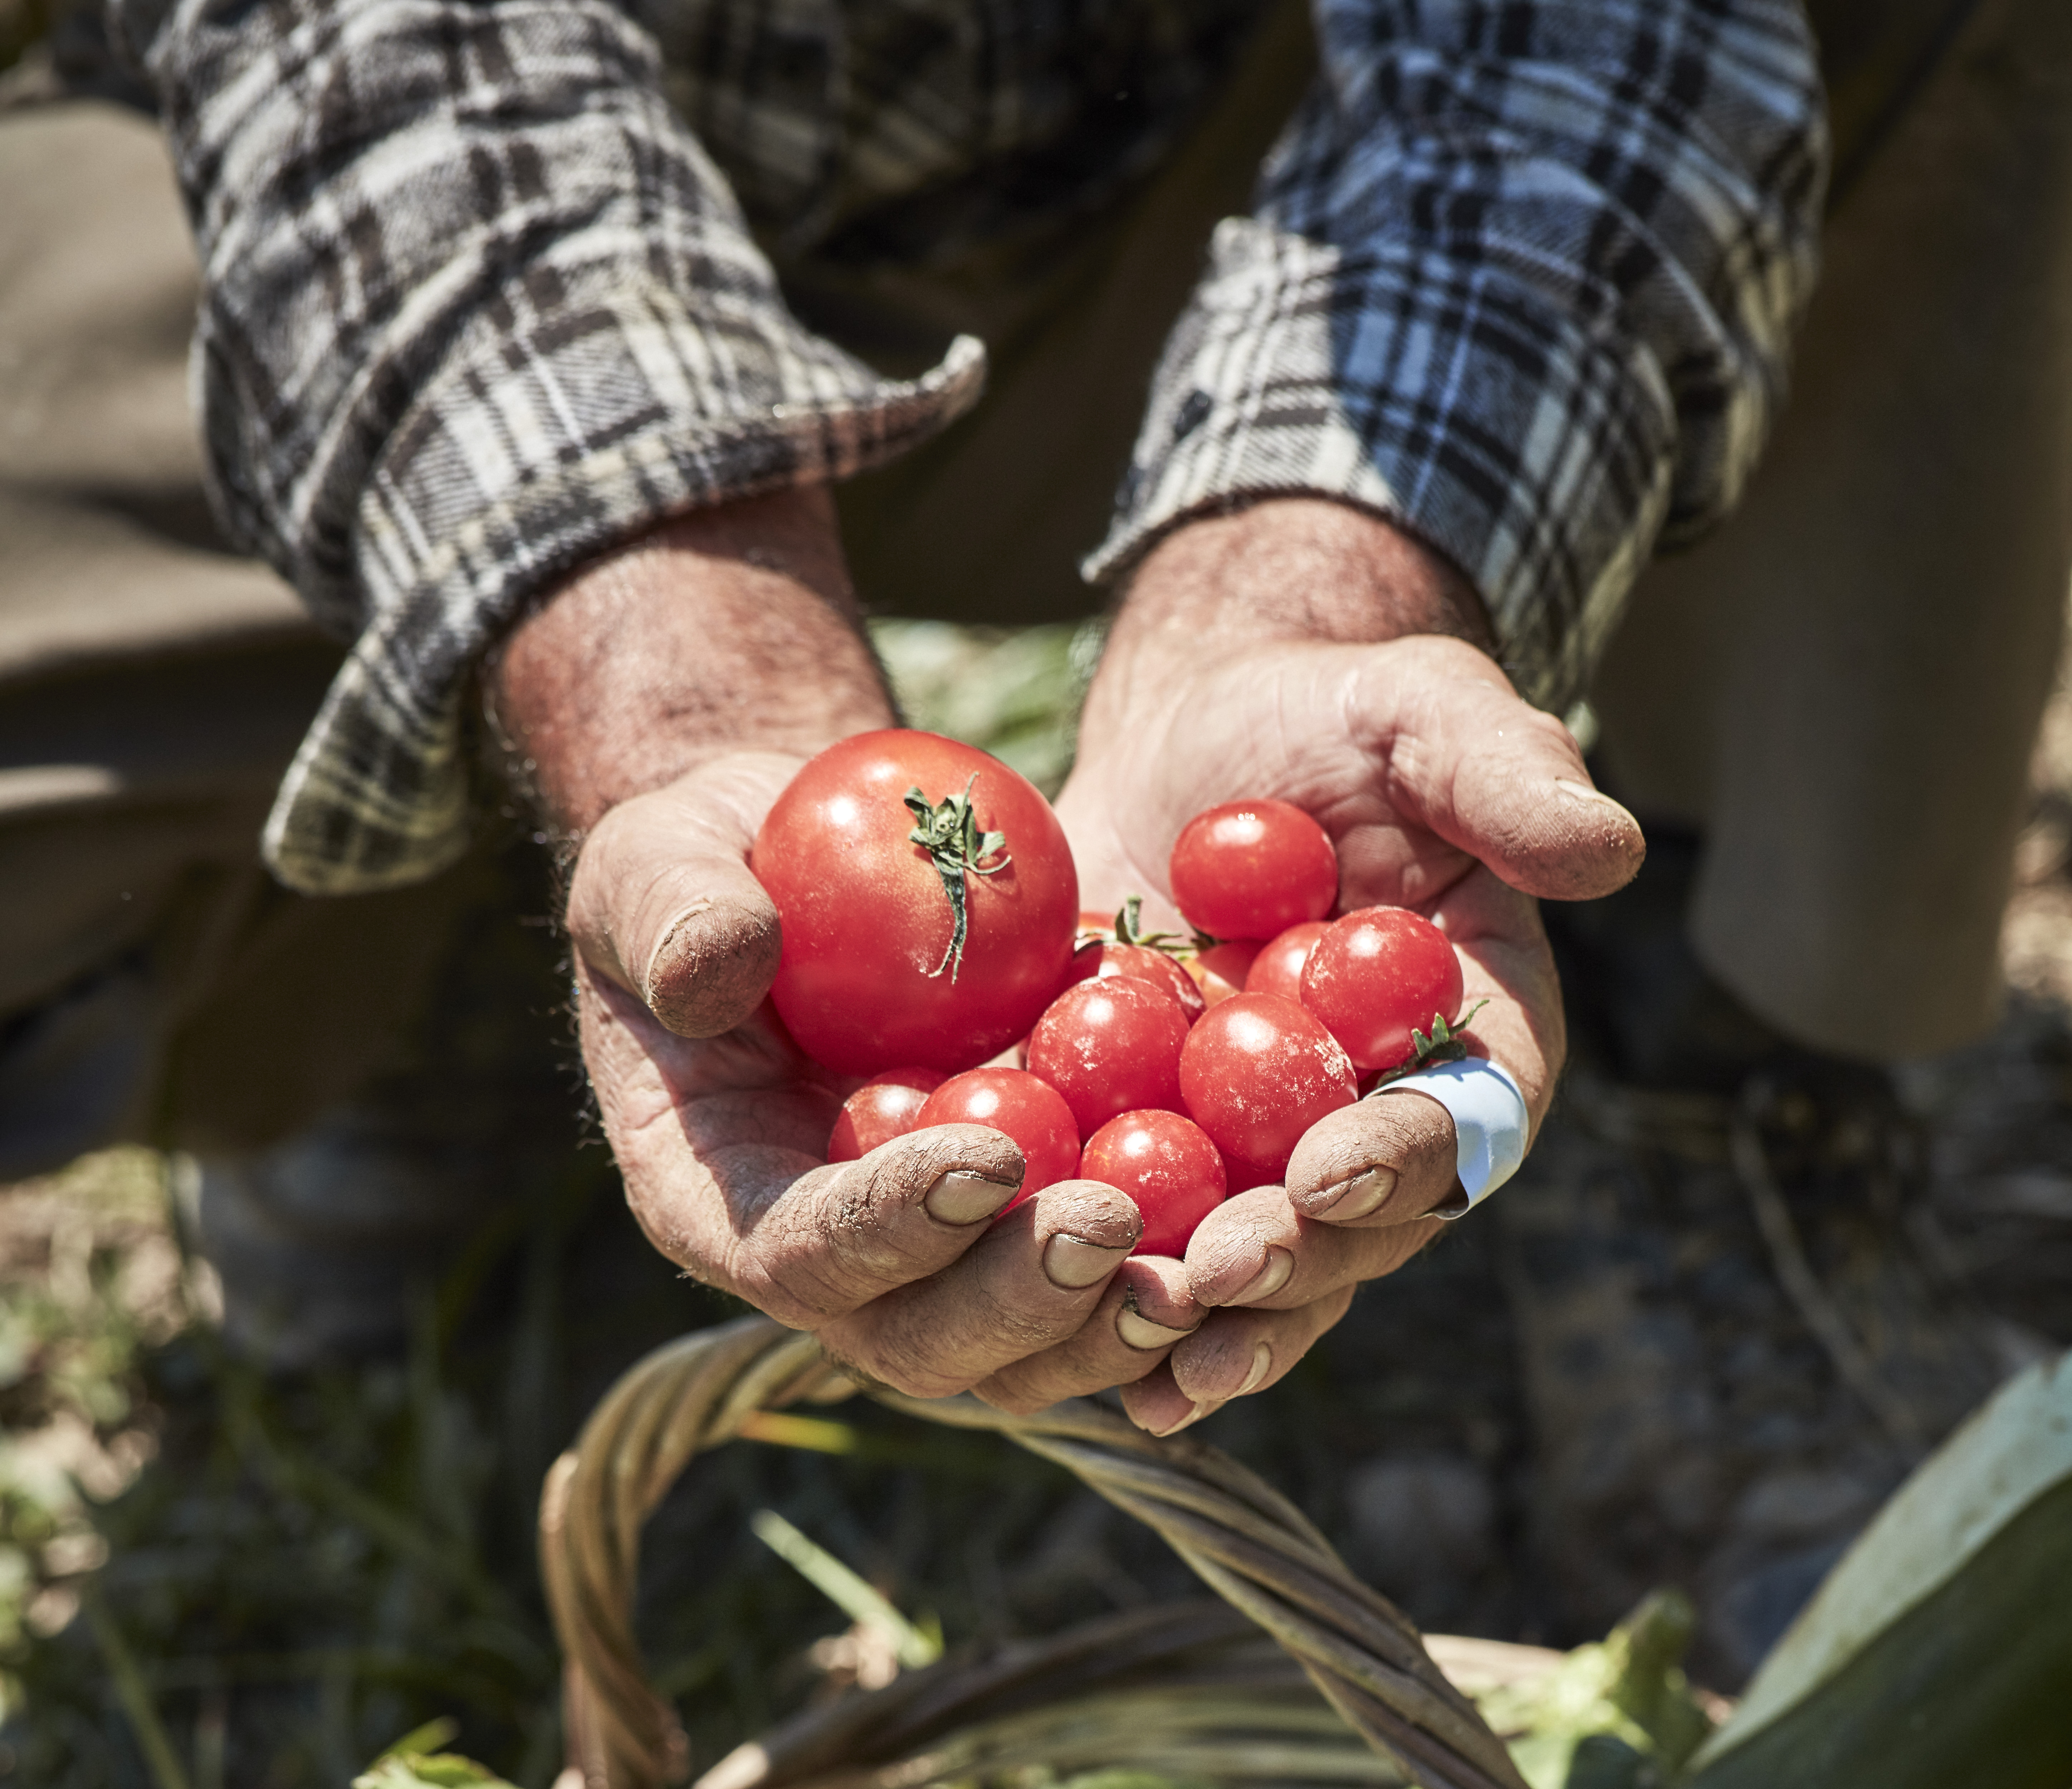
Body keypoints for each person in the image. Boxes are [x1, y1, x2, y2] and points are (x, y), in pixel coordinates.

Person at [0, 3, 2063, 1502]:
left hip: (1208, 187)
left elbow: (1589, 40)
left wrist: (1321, 585)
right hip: (376, 230)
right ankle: (424, 950)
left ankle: (1717, 1051)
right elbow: (379, 68)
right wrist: (676, 684)